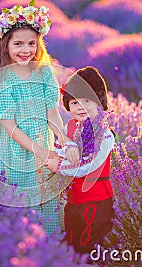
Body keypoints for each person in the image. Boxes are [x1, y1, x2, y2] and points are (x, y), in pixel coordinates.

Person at [0, 1, 79, 236]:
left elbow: (52, 113)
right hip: (15, 153)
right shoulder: (1, 80)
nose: (25, 50)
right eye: (18, 44)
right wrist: (40, 152)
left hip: (44, 147)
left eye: (31, 43)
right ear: (4, 45)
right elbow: (10, 127)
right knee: (21, 205)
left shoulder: (44, 72)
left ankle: (50, 252)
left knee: (49, 204)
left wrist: (64, 141)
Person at [45, 66, 116, 258]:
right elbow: (62, 147)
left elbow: (89, 165)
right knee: (73, 243)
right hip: (74, 199)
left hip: (96, 201)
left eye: (87, 101)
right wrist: (52, 154)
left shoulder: (104, 133)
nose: (80, 107)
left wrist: (59, 167)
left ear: (99, 102)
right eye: (74, 102)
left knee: (90, 246)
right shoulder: (72, 127)